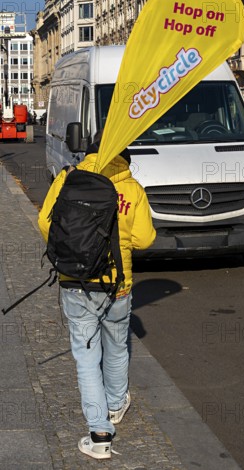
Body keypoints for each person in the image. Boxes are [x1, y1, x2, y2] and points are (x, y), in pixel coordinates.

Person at [38, 133, 156, 460]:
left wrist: (72, 250)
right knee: (117, 345)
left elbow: (45, 222)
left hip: (75, 281)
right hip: (118, 284)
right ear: (125, 157)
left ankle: (99, 434)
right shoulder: (131, 187)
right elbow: (146, 239)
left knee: (87, 357)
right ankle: (116, 405)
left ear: (89, 153)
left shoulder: (68, 178)